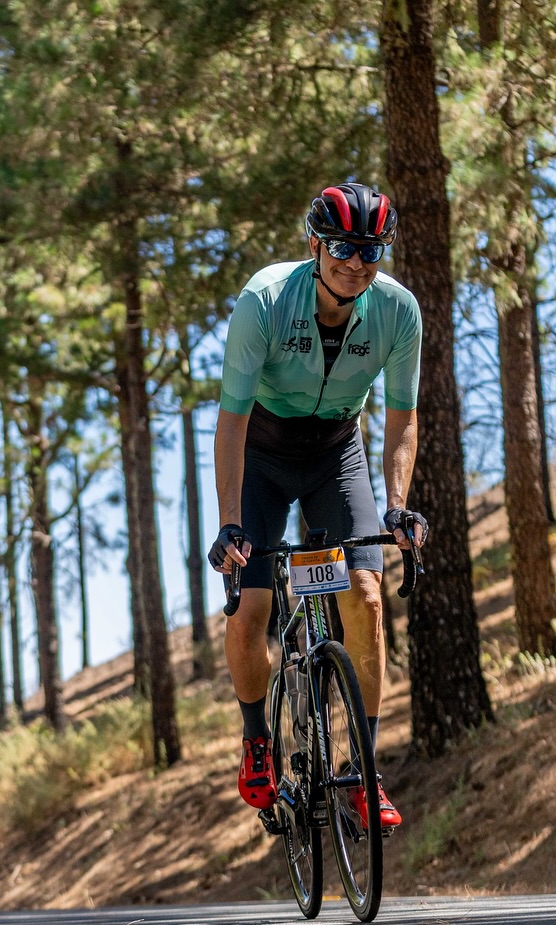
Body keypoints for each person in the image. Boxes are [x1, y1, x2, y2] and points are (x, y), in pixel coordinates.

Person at [210, 182, 428, 831]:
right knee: (253, 606)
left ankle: (362, 773)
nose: (355, 262)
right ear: (315, 246)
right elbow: (231, 422)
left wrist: (396, 505)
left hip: (337, 452)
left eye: (370, 249)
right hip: (262, 454)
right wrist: (230, 524)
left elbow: (402, 419)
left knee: (364, 594)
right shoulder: (267, 302)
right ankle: (257, 741)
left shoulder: (398, 311)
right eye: (341, 248)